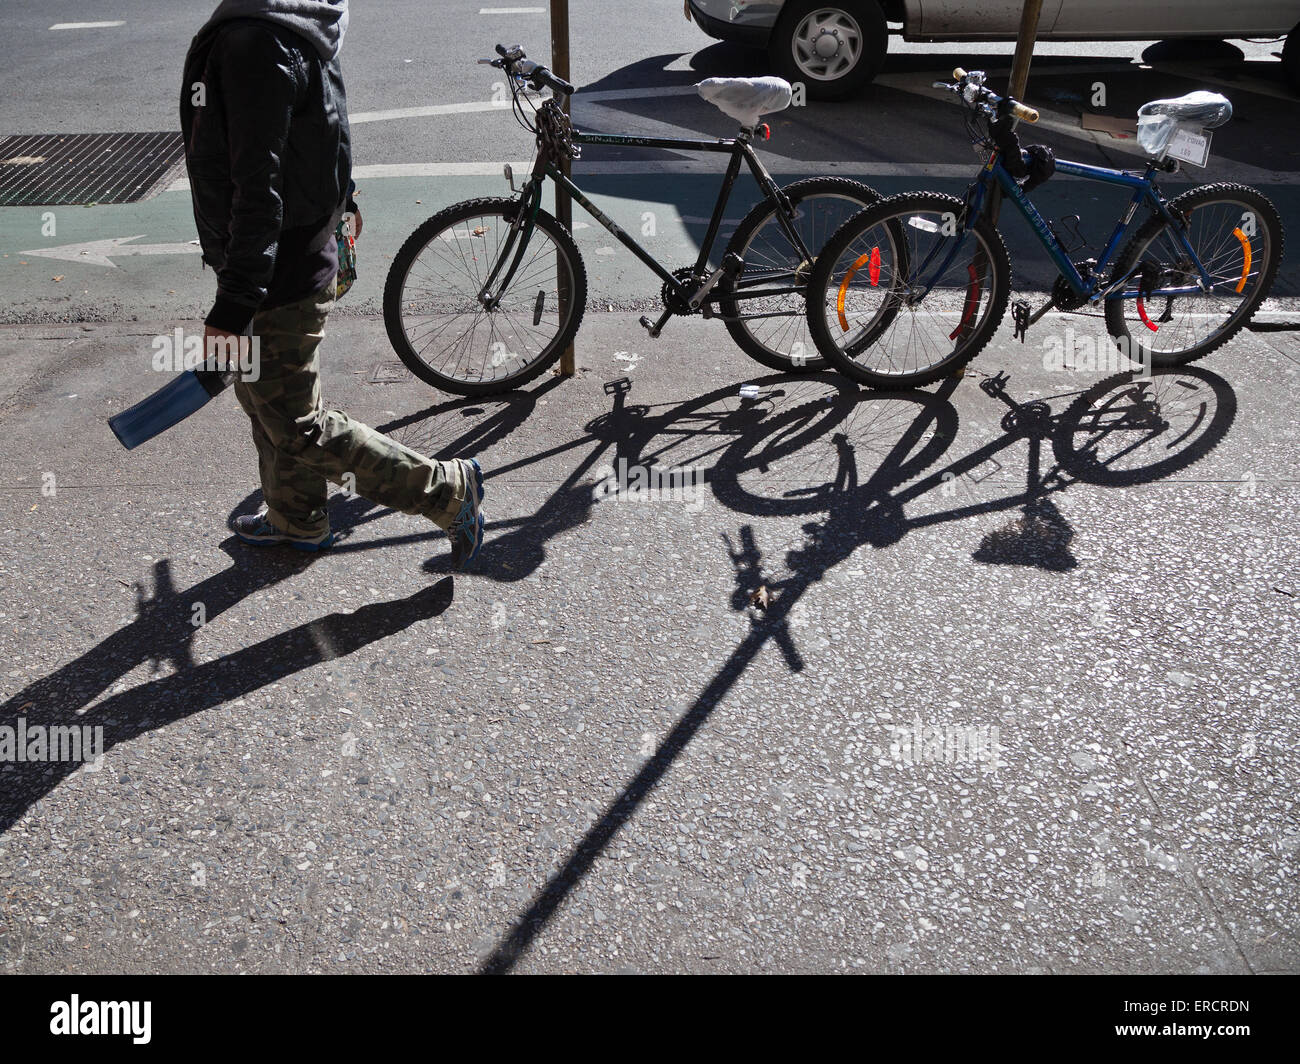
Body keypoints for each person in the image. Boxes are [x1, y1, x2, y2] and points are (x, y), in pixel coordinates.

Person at [180, 0, 484, 565]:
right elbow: (323, 127)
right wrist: (345, 197)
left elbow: (258, 184)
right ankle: (297, 519)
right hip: (287, 255)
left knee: (296, 422)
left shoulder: (255, 38)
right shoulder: (293, 20)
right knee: (262, 394)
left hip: (277, 270)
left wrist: (234, 300)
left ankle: (446, 491)